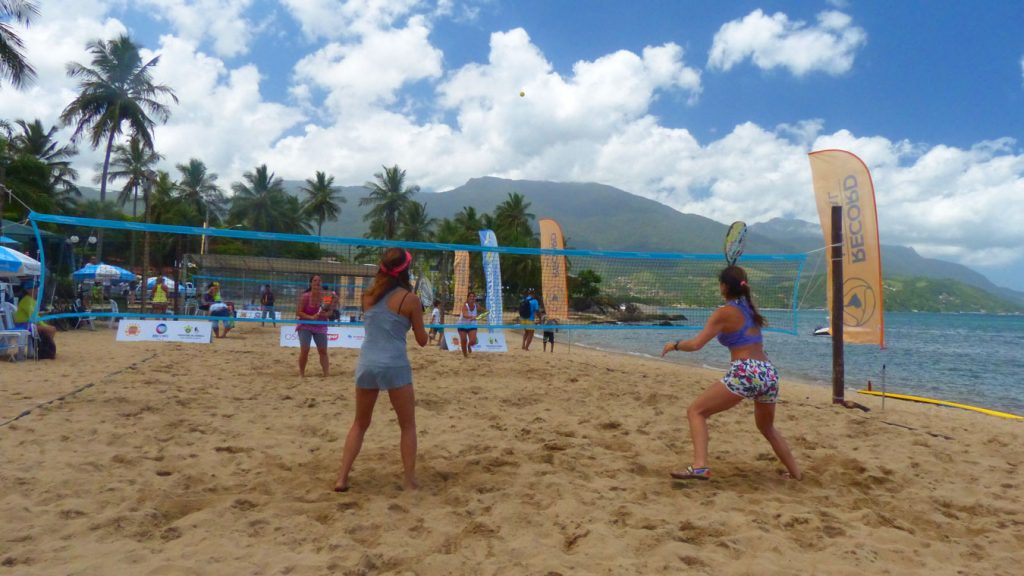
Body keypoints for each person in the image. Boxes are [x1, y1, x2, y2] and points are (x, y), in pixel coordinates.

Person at [661, 265, 801, 481]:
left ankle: (700, 467)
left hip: (747, 371)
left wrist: (675, 345)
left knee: (696, 411)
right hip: (768, 372)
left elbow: (696, 344)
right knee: (767, 427)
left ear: (724, 286)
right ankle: (795, 474)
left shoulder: (724, 313)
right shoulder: (749, 309)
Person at [335, 248, 428, 492]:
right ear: (405, 270)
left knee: (359, 423)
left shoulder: (368, 296)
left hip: (367, 363)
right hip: (394, 364)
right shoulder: (410, 299)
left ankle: (342, 478)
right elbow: (422, 340)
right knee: (407, 425)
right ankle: (409, 481)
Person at [295, 274, 331, 377]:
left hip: (320, 325)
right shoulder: (305, 296)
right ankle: (301, 373)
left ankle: (326, 374)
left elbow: (329, 311)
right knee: (305, 350)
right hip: (305, 325)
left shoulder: (326, 297)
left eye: (319, 280)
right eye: (315, 280)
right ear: (311, 283)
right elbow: (298, 312)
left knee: (323, 351)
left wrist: (326, 314)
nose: (317, 282)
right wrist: (311, 317)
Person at [13, 281, 57, 359]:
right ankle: (45, 351)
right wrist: (45, 326)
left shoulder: (30, 300)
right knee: (50, 330)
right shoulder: (27, 300)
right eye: (35, 289)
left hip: (28, 324)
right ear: (28, 290)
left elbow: (35, 317)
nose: (37, 291)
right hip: (23, 325)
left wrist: (44, 325)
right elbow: (34, 317)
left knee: (51, 329)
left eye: (37, 289)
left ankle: (45, 350)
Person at [457, 291, 479, 358]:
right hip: (462, 325)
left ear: (475, 298)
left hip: (472, 325)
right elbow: (464, 315)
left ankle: (469, 346)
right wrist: (471, 317)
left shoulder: (476, 305)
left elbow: (485, 311)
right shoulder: (465, 305)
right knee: (464, 340)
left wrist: (487, 312)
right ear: (468, 298)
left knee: (473, 341)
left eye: (473, 296)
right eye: (470, 296)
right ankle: (465, 356)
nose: (472, 298)